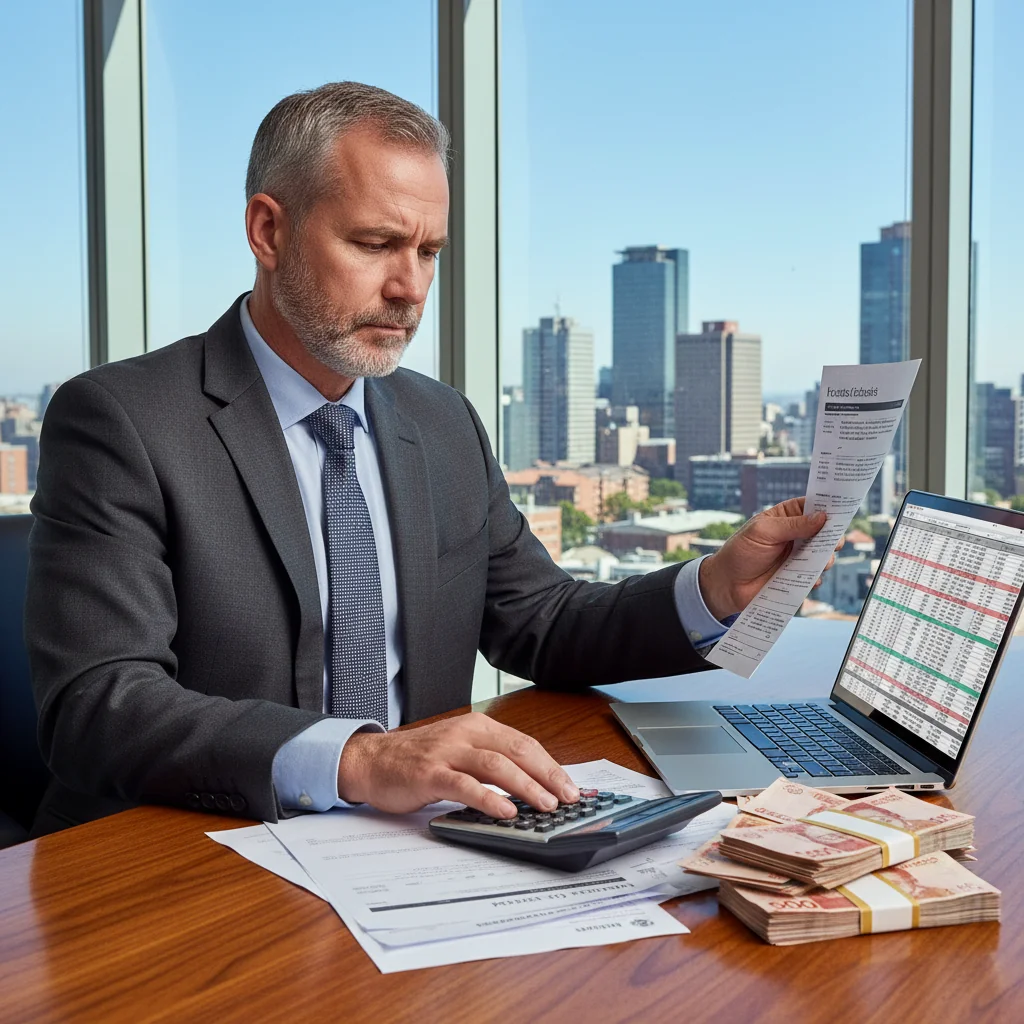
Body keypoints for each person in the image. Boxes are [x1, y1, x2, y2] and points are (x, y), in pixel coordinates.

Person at [25, 82, 834, 836]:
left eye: (429, 252)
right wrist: (360, 758)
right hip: (184, 856)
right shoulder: (123, 421)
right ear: (267, 231)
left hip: (413, 850)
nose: (410, 287)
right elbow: (100, 705)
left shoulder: (440, 420)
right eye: (376, 243)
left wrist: (714, 590)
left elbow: (543, 623)